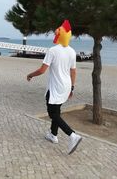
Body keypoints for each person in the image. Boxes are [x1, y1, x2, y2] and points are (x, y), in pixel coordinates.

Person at [26, 20, 82, 155]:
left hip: (56, 87)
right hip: (67, 85)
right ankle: (53, 134)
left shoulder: (52, 50)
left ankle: (72, 135)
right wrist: (72, 88)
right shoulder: (72, 52)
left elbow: (42, 70)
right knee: (57, 110)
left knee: (52, 114)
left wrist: (30, 75)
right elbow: (73, 71)